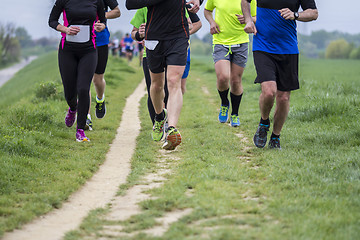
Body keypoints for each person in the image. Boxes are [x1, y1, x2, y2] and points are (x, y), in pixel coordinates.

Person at [241, 0, 318, 149]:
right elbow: (245, 1)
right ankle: (264, 122)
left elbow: (313, 13)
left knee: (283, 97)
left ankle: (275, 137)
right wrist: (249, 20)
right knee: (269, 91)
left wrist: (295, 15)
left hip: (288, 48)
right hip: (263, 45)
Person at [126, 0, 202, 150]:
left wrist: (198, 1)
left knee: (174, 81)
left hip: (178, 36)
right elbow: (130, 4)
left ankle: (172, 128)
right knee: (156, 86)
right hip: (154, 37)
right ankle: (159, 116)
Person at [49, 0, 106, 142]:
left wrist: (101, 26)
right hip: (67, 50)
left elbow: (103, 21)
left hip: (89, 51)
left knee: (83, 88)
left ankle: (80, 130)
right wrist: (65, 29)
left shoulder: (97, 1)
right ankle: (73, 108)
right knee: (69, 92)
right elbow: (52, 21)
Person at [204, 0, 257, 127]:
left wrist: (248, 19)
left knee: (235, 80)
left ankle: (235, 113)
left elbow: (255, 17)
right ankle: (224, 103)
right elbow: (207, 11)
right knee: (223, 77)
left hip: (241, 42)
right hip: (220, 41)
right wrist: (212, 22)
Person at [86, 0, 121, 131]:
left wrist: (101, 16)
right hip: (81, 40)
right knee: (85, 80)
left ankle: (100, 99)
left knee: (97, 79)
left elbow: (117, 12)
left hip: (100, 40)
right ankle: (86, 116)